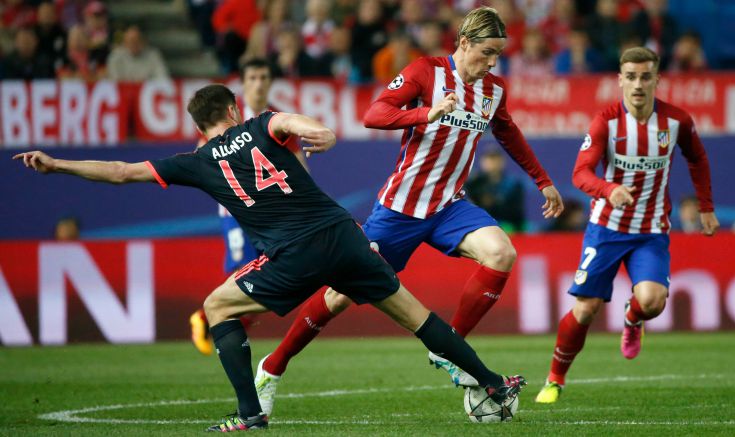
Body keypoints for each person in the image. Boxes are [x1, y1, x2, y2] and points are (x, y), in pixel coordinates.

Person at [14, 83, 526, 431]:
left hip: (294, 253)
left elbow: (122, 172)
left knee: (217, 307)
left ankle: (249, 413)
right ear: (234, 110)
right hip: (344, 235)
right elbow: (301, 124)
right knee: (417, 317)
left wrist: (56, 164)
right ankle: (493, 384)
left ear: (200, 126)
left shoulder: (192, 162)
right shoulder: (262, 124)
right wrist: (316, 133)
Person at [251, 6, 563, 418]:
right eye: (487, 52)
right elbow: (374, 113)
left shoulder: (494, 90)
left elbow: (509, 133)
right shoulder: (425, 72)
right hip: (400, 209)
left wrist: (543, 180)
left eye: (498, 55)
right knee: (339, 296)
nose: (492, 62)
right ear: (464, 43)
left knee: (501, 253)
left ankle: (451, 349)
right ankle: (272, 368)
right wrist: (424, 113)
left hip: (450, 207)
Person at [534, 47, 719, 404]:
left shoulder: (676, 121)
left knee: (652, 301)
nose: (638, 84)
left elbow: (697, 158)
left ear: (656, 79)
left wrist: (706, 206)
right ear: (620, 80)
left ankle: (633, 320)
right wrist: (609, 188)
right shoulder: (606, 122)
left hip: (650, 231)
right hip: (606, 228)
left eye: (645, 76)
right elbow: (580, 173)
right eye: (631, 76)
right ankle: (555, 379)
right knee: (585, 309)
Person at [188, 58, 310, 356]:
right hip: (237, 211)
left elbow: (298, 165)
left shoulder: (275, 119)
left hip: (271, 214)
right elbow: (203, 156)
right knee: (243, 270)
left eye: (264, 77)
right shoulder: (226, 117)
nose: (259, 83)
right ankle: (212, 318)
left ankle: (215, 320)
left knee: (268, 280)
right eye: (253, 77)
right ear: (243, 83)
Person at [465, 149, 526, 233]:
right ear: (482, 162)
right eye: (489, 159)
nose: (492, 163)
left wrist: (494, 203)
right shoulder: (474, 183)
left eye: (495, 159)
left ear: (502, 162)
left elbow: (517, 213)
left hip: (507, 225)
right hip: (481, 224)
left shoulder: (513, 183)